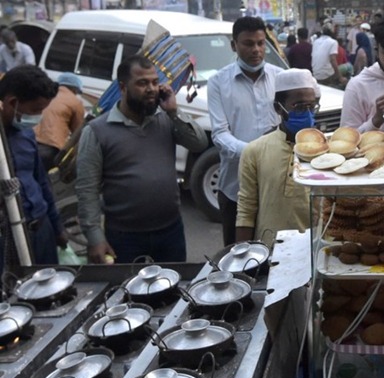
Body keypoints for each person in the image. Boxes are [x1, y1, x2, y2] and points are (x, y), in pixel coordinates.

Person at [75, 55, 207, 264]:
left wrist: (174, 111)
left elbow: (199, 143)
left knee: (174, 289)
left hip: (170, 231)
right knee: (127, 293)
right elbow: (86, 189)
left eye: (155, 82)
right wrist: (95, 237)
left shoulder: (166, 119)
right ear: (123, 87)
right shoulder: (97, 131)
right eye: (142, 83)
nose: (151, 89)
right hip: (123, 237)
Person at [208, 16, 283, 248]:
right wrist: (253, 152)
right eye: (249, 44)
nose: (256, 50)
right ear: (234, 45)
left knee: (275, 252)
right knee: (237, 255)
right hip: (235, 188)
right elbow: (219, 133)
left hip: (275, 185)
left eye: (261, 43)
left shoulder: (280, 77)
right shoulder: (218, 82)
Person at [236, 69, 317, 246]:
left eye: (312, 106)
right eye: (300, 107)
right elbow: (246, 210)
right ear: (277, 108)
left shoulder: (327, 153)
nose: (308, 114)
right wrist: (244, 258)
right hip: (269, 250)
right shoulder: (254, 151)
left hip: (315, 249)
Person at [0, 65, 66, 269]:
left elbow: (41, 181)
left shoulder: (26, 135)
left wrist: (56, 227)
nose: (38, 117)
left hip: (41, 229)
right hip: (8, 238)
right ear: (12, 102)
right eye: (36, 111)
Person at [33, 72, 85, 170]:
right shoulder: (75, 102)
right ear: (74, 89)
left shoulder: (46, 94)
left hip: (30, 140)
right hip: (51, 146)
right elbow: (78, 132)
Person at [312, 21, 347, 89]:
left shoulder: (316, 42)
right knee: (348, 67)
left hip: (316, 74)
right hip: (327, 75)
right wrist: (340, 77)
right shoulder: (333, 42)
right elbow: (333, 60)